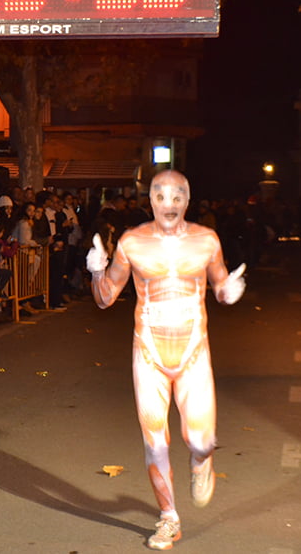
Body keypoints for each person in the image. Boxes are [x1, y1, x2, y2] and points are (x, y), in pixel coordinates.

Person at [86, 169, 245, 550]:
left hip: (193, 351)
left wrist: (228, 291)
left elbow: (220, 284)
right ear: (151, 201)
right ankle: (169, 519)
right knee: (155, 442)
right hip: (149, 352)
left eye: (177, 197)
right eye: (161, 196)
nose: (169, 204)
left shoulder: (207, 240)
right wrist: (96, 271)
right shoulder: (132, 242)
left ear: (187, 201)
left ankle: (201, 459)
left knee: (202, 439)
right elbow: (106, 298)